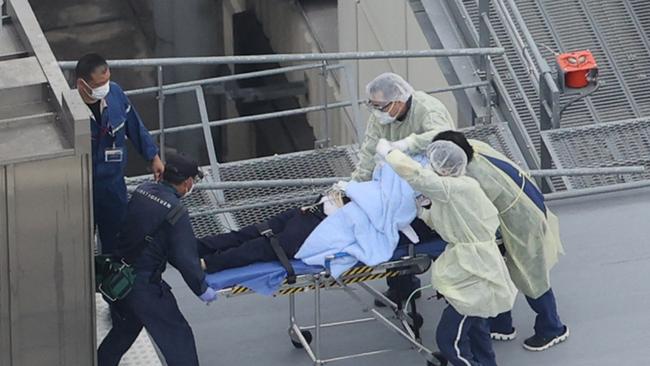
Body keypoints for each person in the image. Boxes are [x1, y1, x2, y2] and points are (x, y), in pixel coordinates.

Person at [376, 138, 517, 366]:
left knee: (448, 339)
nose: (429, 167)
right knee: (477, 330)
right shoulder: (456, 190)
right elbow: (446, 222)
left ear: (443, 167)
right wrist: (424, 210)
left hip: (474, 271)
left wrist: (390, 153)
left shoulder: (458, 188)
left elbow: (418, 177)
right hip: (473, 266)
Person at [429, 130, 568, 351]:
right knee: (500, 270)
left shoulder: (473, 180)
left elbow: (469, 217)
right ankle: (501, 324)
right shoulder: (474, 149)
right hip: (523, 207)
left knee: (531, 277)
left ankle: (552, 328)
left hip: (523, 224)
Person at [97, 153, 216, 366]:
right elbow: (184, 257)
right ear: (187, 182)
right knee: (179, 338)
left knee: (125, 329)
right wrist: (201, 288)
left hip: (119, 279)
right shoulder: (176, 212)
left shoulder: (143, 191)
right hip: (145, 287)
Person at [351, 72, 455, 306]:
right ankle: (402, 287)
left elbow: (443, 137)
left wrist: (408, 144)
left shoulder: (428, 110)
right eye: (374, 106)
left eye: (381, 106)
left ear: (399, 100)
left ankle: (452, 288)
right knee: (393, 230)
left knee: (440, 234)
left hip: (434, 183)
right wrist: (355, 186)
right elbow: (369, 151)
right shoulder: (381, 116)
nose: (377, 112)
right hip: (399, 185)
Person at [198, 189, 436, 273]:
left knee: (258, 246)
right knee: (253, 234)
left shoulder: (426, 219)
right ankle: (196, 249)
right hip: (319, 210)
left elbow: (384, 232)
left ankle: (205, 263)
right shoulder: (409, 186)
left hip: (324, 229)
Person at [75, 53, 164, 254]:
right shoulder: (71, 110)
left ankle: (113, 280)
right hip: (81, 189)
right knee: (79, 247)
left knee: (117, 242)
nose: (105, 87)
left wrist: (153, 156)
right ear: (82, 84)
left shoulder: (115, 94)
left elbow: (135, 125)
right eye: (100, 83)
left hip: (113, 185)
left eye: (107, 80)